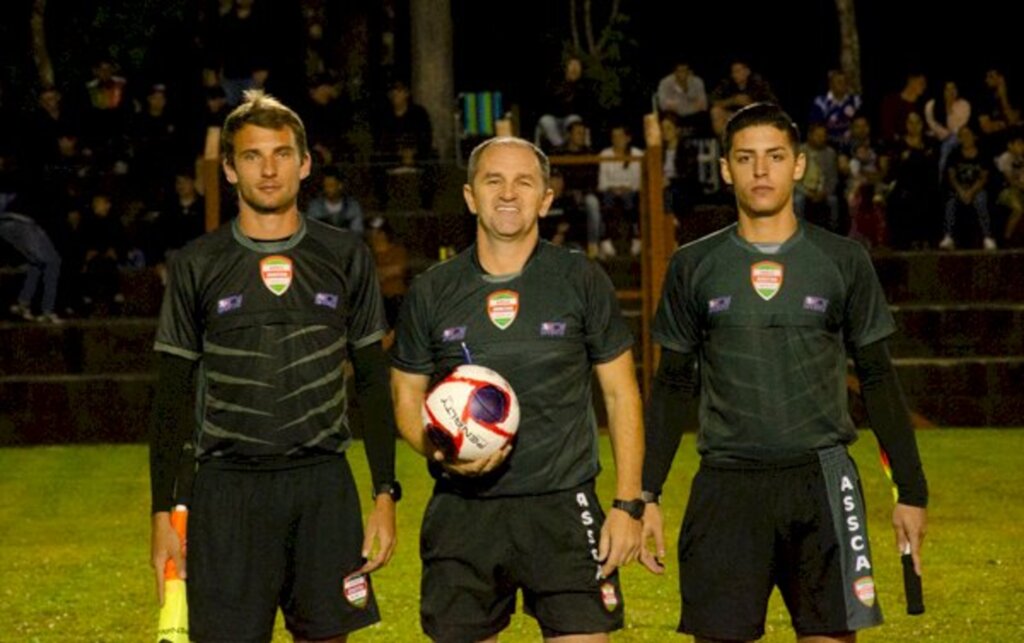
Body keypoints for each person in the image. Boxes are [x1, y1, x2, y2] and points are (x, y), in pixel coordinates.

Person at [640, 103, 928, 642]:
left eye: (774, 156)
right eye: (745, 158)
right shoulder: (693, 265)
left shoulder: (843, 260)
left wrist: (909, 492)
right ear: (726, 169)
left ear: (798, 165)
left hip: (821, 481)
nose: (760, 171)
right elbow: (672, 386)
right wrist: (646, 495)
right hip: (727, 487)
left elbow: (879, 380)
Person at [148, 90, 399, 642]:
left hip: (322, 487)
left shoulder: (345, 256)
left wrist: (385, 493)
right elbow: (171, 396)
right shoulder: (197, 264)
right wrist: (162, 513)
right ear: (231, 170)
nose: (268, 169)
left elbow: (374, 384)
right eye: (252, 156)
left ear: (305, 163)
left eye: (282, 154)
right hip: (228, 490)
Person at [391, 136, 645, 642]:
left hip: (563, 508)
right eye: (493, 181)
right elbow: (404, 395)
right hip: (464, 514)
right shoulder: (432, 290)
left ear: (546, 199)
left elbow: (621, 395)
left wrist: (627, 505)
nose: (508, 193)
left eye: (524, 182)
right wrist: (440, 452)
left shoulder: (580, 279)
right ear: (469, 196)